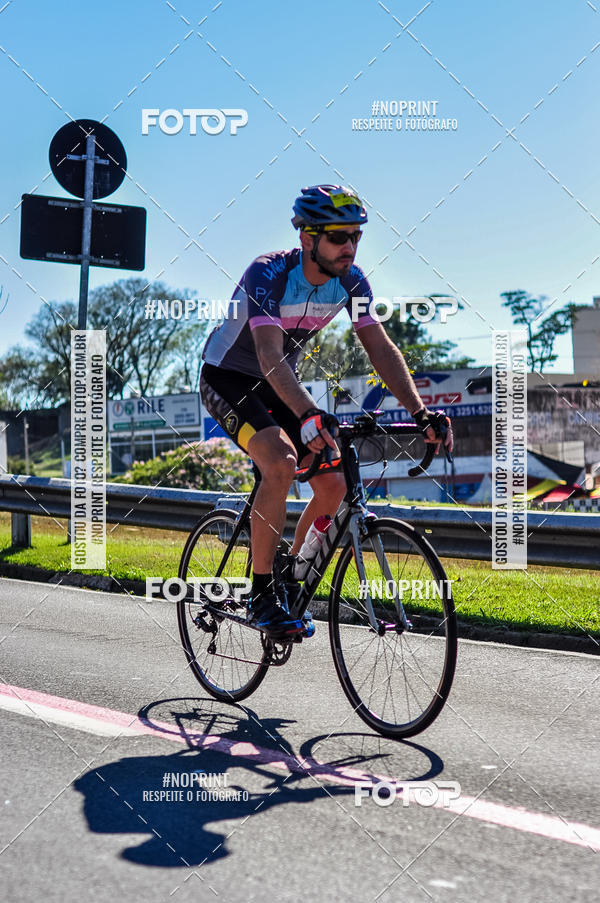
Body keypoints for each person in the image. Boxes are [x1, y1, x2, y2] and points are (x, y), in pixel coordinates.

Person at [200, 184, 453, 639]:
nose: (350, 247)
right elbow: (268, 355)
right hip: (230, 378)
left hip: (281, 385)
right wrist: (309, 412)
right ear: (307, 239)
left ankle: (290, 582)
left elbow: (379, 346)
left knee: (333, 485)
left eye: (356, 236)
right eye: (339, 237)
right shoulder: (268, 274)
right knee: (279, 463)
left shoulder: (352, 281)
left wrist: (420, 412)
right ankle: (261, 595)